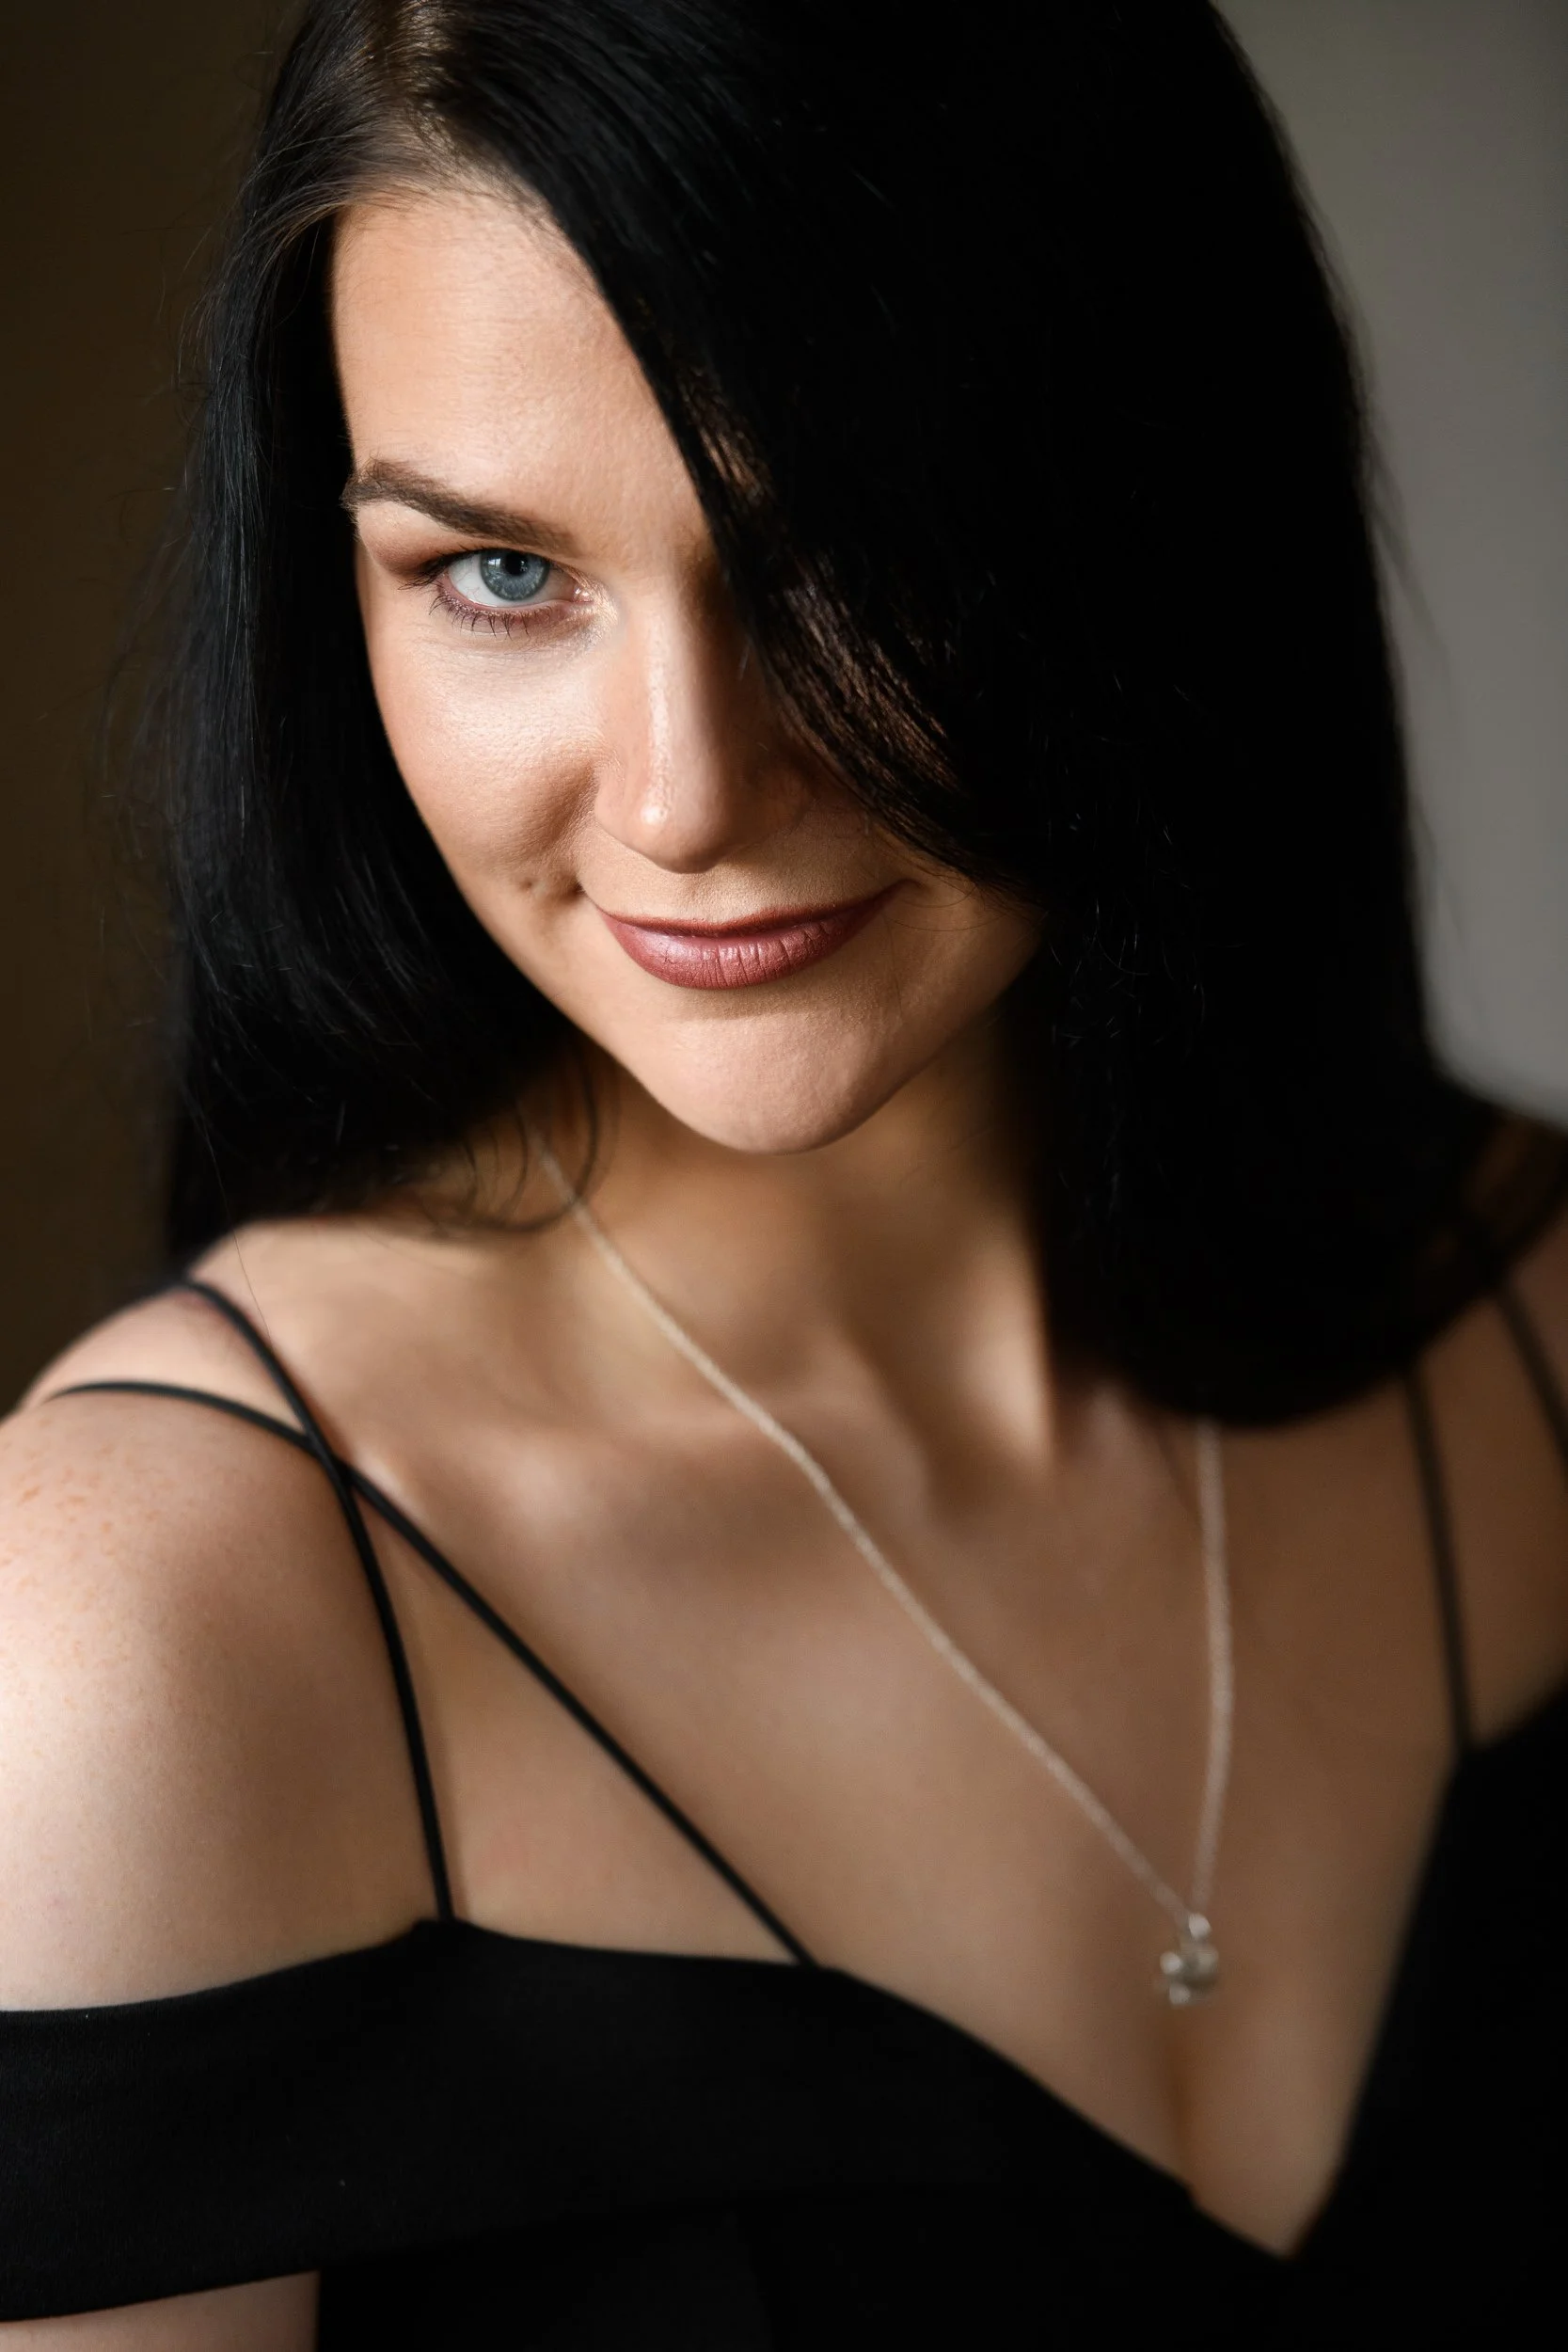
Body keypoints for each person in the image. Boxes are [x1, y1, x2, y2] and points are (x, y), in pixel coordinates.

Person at [1, 0, 1564, 2342]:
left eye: (845, 545)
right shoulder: (159, 1630)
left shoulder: (1535, 1324)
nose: (684, 790)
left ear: (1165, 486)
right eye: (500, 577)